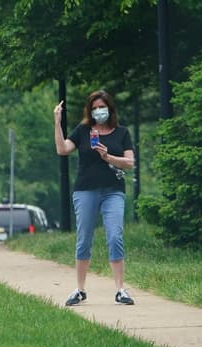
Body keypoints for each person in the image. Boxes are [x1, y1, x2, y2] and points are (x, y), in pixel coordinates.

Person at [53, 90, 136, 306]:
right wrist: (57, 122)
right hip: (86, 190)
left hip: (113, 190)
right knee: (84, 238)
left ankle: (120, 289)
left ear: (110, 108)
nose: (99, 111)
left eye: (103, 107)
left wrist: (108, 156)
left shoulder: (122, 133)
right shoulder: (83, 131)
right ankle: (80, 289)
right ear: (90, 111)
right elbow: (62, 149)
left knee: (115, 235)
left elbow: (129, 162)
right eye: (95, 108)